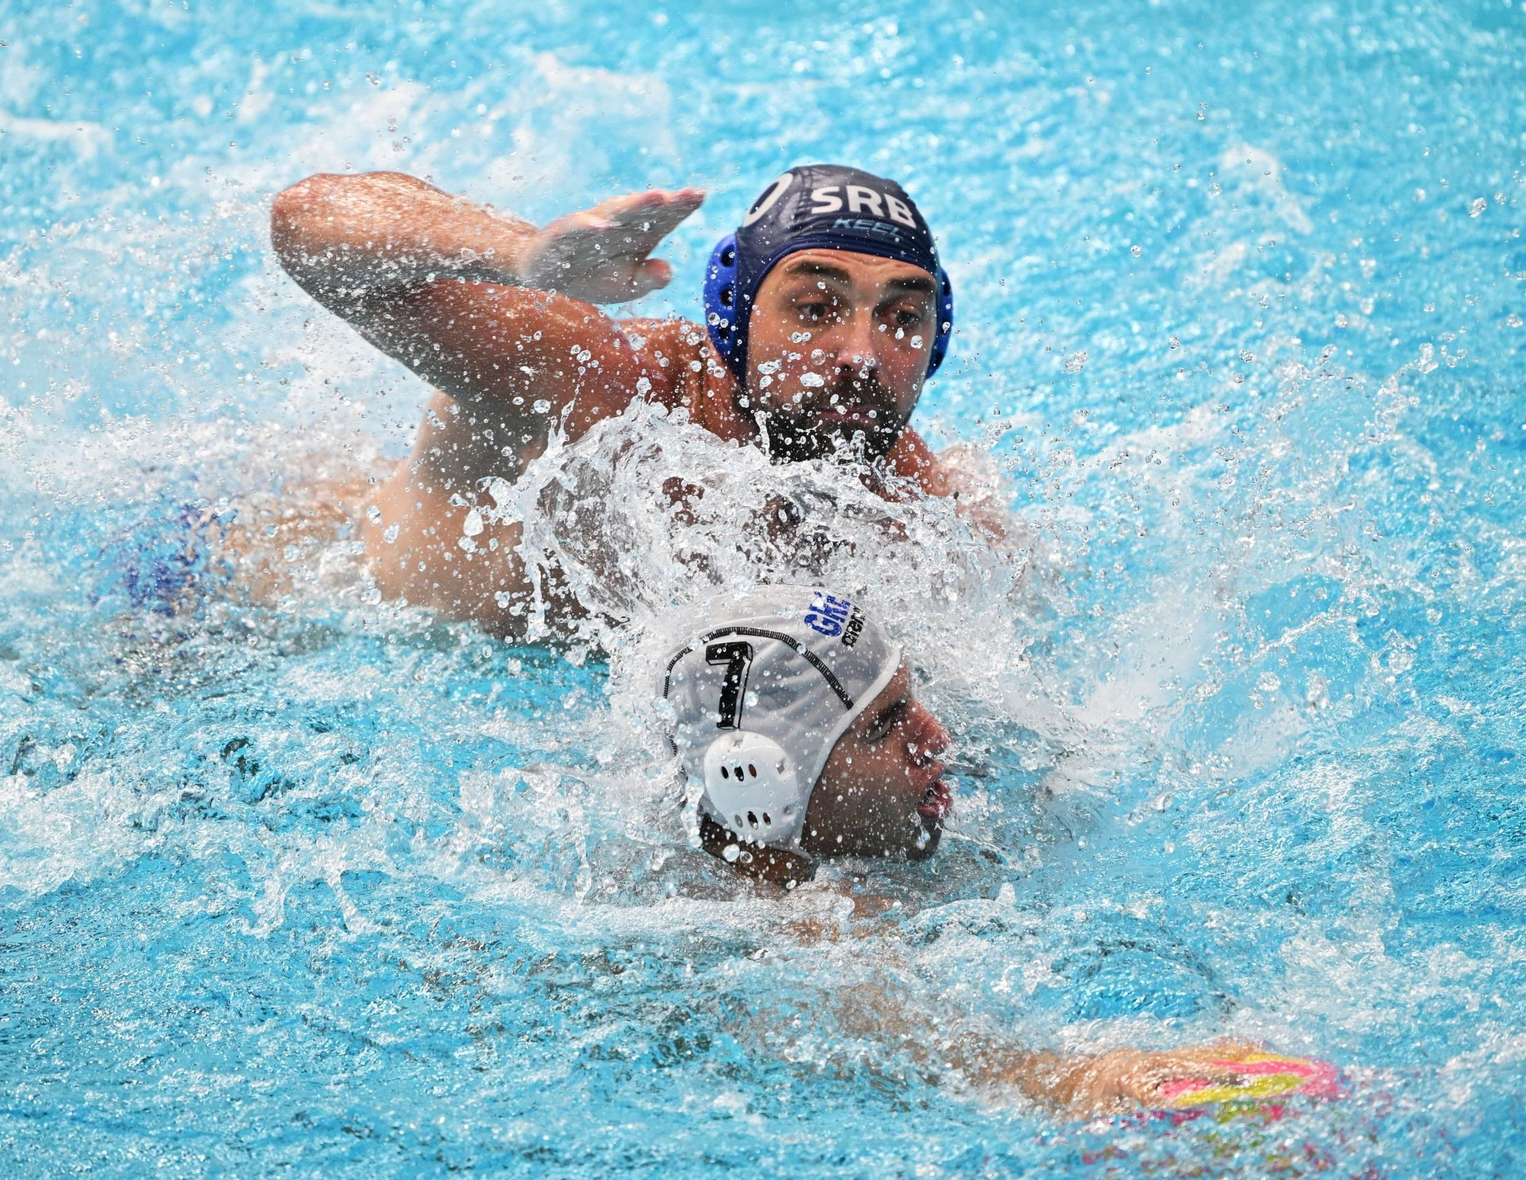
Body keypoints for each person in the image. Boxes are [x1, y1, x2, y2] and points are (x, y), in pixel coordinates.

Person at [270, 164, 997, 633]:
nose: (862, 357)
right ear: (733, 316)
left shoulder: (924, 516)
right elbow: (309, 224)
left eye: (904, 319)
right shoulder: (609, 388)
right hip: (297, 598)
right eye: (814, 308)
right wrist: (519, 256)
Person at [657, 584, 1288, 1115]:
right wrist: (1077, 1082)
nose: (936, 735)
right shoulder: (785, 927)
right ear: (763, 784)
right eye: (884, 724)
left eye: (914, 698)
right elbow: (905, 1040)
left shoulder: (862, 846)